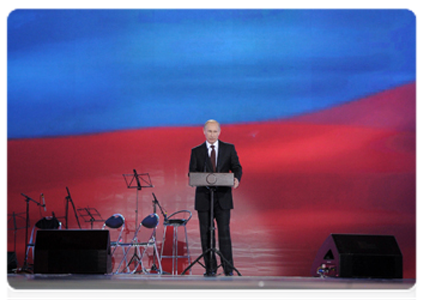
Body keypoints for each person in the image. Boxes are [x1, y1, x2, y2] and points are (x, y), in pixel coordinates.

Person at [189, 119, 242, 276]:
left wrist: (237, 179)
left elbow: (237, 167)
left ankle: (228, 269)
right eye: (209, 131)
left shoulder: (228, 148)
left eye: (214, 131)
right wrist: (196, 179)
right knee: (206, 234)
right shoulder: (197, 151)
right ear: (204, 132)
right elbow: (191, 172)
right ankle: (210, 268)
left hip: (223, 197)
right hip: (203, 199)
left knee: (224, 233)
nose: (212, 134)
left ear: (219, 132)